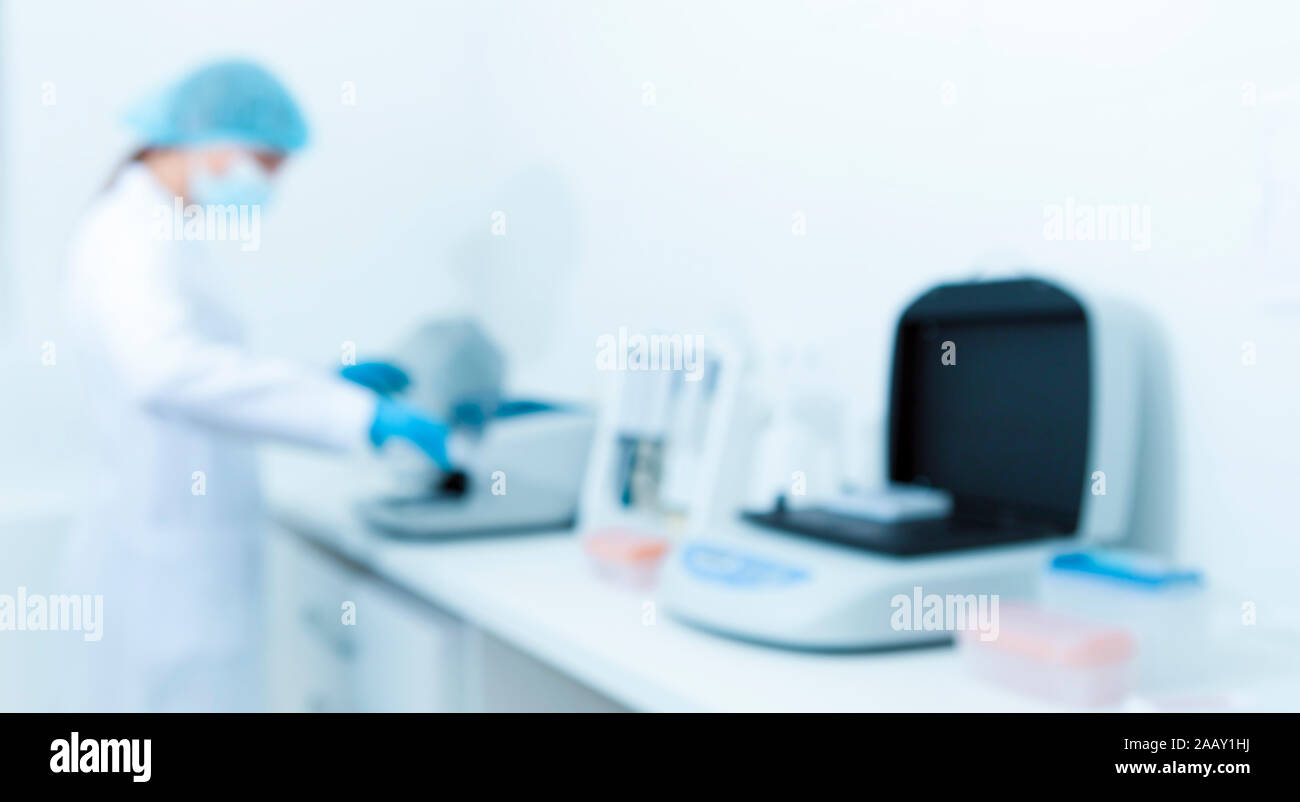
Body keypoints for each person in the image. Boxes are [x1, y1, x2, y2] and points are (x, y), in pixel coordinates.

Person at [61, 60, 448, 711]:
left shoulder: (156, 229)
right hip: (165, 573)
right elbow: (166, 371)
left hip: (181, 555)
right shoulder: (131, 235)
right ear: (208, 139)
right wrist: (352, 415)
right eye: (266, 164)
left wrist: (321, 384)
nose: (270, 185)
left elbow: (203, 370)